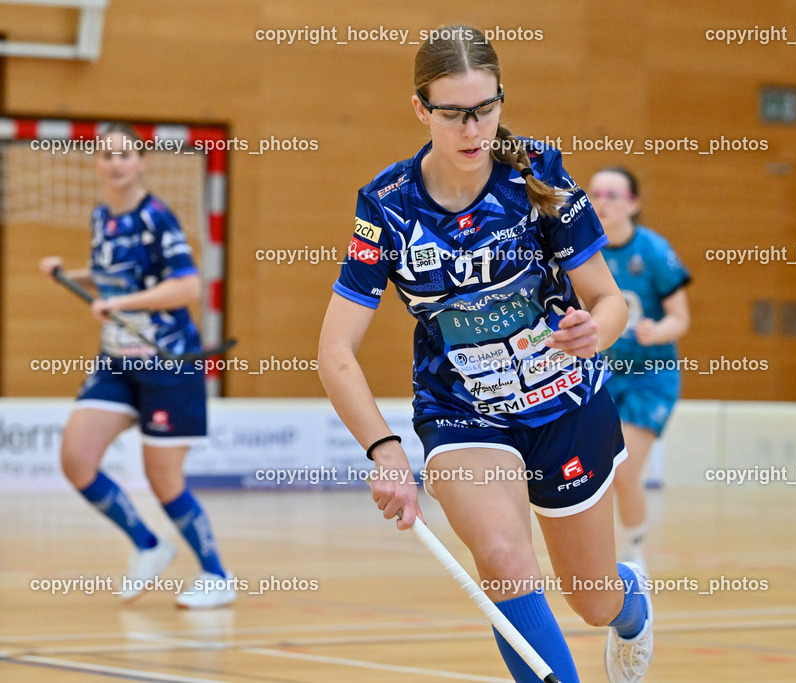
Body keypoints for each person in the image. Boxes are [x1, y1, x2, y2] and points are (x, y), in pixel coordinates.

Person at [318, 25, 653, 683]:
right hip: (463, 414)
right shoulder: (387, 206)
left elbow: (608, 300)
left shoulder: (537, 173)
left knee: (591, 597)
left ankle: (631, 602)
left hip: (566, 404)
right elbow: (335, 350)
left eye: (487, 107)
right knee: (503, 557)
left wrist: (597, 332)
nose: (474, 129)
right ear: (421, 109)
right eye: (454, 113)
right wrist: (383, 449)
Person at [39, 123, 235, 609]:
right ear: (97, 164)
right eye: (106, 155)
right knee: (76, 458)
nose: (114, 163)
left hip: (168, 361)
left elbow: (187, 287)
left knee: (164, 479)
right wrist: (71, 274)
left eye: (124, 154)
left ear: (141, 161)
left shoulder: (157, 218)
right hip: (116, 361)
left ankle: (217, 574)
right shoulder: (102, 216)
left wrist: (124, 301)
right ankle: (148, 545)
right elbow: (114, 277)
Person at [589, 167, 691, 570]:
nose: (603, 202)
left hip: (651, 378)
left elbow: (680, 318)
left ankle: (633, 551)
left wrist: (656, 330)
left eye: (614, 195)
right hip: (603, 377)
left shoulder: (652, 250)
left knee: (624, 470)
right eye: (596, 193)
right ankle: (602, 553)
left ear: (633, 203)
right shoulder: (586, 252)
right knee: (593, 472)